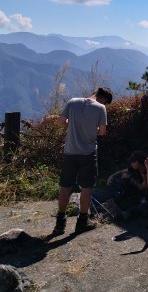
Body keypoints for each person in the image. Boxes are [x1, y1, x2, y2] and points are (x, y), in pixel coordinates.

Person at [53, 87, 113, 235]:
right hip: (88, 153)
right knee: (86, 187)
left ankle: (60, 223)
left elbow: (60, 122)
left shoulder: (73, 102)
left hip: (70, 151)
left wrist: (73, 123)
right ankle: (82, 221)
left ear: (95, 93)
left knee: (65, 185)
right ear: (105, 99)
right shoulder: (100, 108)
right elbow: (102, 132)